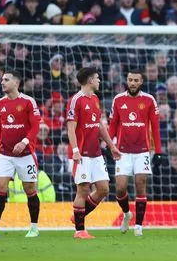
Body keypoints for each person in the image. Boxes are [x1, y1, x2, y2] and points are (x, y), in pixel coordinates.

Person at [0, 71, 42, 238]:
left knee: (30, 189)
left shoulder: (28, 102)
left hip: (26, 155)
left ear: (16, 83)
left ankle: (34, 227)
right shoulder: (0, 103)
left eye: (6, 80)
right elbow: (0, 128)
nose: (2, 82)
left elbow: (35, 126)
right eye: (2, 80)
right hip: (5, 155)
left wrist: (24, 142)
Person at [109, 69, 167, 236]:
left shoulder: (149, 100)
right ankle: (127, 214)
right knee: (120, 189)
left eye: (136, 80)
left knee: (140, 186)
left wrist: (159, 152)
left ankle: (139, 226)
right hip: (122, 151)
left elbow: (155, 128)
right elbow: (113, 125)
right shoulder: (118, 99)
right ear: (127, 81)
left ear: (141, 82)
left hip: (143, 151)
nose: (132, 83)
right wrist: (109, 145)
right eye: (130, 80)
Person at [67, 67, 121, 239]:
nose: (99, 81)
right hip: (81, 154)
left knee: (104, 189)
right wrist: (75, 151)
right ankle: (79, 230)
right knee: (83, 189)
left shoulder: (96, 99)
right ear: (90, 80)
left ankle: (77, 216)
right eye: (97, 78)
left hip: (96, 153)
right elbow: (70, 128)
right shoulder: (76, 100)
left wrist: (111, 146)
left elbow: (99, 125)